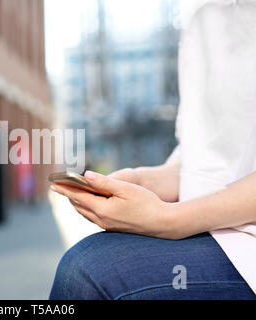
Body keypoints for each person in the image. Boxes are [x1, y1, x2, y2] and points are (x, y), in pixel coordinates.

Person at [49, 0, 256, 300]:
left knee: (88, 272)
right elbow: (209, 158)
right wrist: (141, 181)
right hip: (223, 231)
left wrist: (168, 220)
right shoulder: (203, 19)